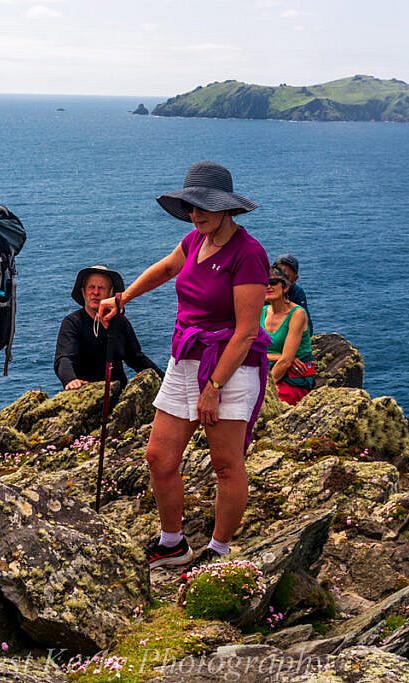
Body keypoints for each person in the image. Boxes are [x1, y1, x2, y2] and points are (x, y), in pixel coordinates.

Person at [98, 160, 271, 571]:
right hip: (185, 359)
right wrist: (123, 298)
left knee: (226, 463)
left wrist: (214, 386)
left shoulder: (248, 254)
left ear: (226, 207)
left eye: (203, 207)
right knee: (159, 457)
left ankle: (218, 549)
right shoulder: (195, 240)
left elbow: (246, 331)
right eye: (190, 206)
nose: (195, 215)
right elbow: (167, 268)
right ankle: (173, 543)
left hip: (229, 365)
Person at [55, 265, 162, 391]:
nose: (95, 292)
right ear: (83, 292)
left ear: (111, 293)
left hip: (117, 394)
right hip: (85, 394)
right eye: (91, 287)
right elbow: (64, 358)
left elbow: (136, 359)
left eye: (101, 288)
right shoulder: (72, 323)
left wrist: (165, 381)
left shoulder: (120, 322)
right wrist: (70, 380)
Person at [262, 266, 317, 405]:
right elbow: (249, 349)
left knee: (263, 407)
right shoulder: (261, 312)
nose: (268, 286)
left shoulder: (297, 314)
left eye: (273, 282)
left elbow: (286, 362)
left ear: (285, 287)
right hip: (264, 372)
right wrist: (278, 356)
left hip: (291, 379)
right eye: (263, 282)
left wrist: (265, 390)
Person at [271, 253, 313, 334]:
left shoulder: (296, 293)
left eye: (286, 278)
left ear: (295, 279)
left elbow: (306, 325)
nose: (281, 281)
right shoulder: (265, 290)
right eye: (278, 276)